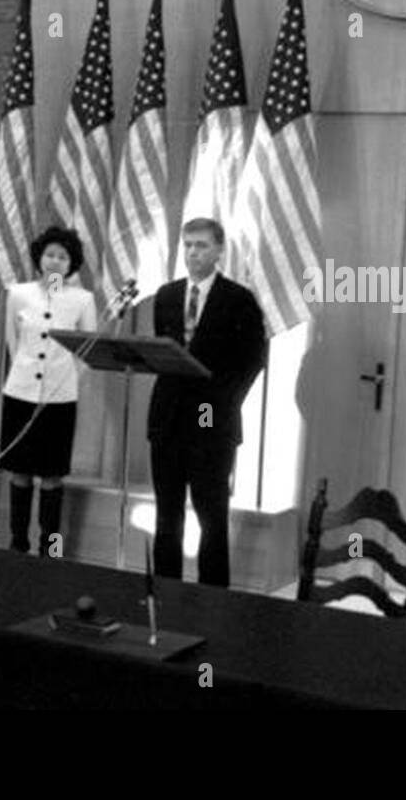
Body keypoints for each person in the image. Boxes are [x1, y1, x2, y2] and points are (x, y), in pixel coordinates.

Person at [148, 218, 265, 587]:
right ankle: (166, 590)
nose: (193, 252)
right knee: (167, 512)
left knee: (210, 512)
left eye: (201, 245)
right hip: (168, 418)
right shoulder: (167, 295)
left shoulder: (239, 299)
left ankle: (213, 595)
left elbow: (252, 359)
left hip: (210, 416)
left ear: (219, 251)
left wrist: (222, 403)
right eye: (187, 245)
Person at [0, 226, 96, 555]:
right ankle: (17, 544)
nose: (55, 261)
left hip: (59, 399)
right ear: (39, 258)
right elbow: (13, 341)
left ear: (72, 263)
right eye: (50, 254)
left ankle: (50, 547)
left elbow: (87, 350)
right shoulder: (19, 293)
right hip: (20, 393)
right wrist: (25, 373)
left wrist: (64, 378)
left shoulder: (83, 300)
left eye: (63, 256)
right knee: (20, 473)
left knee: (53, 476)